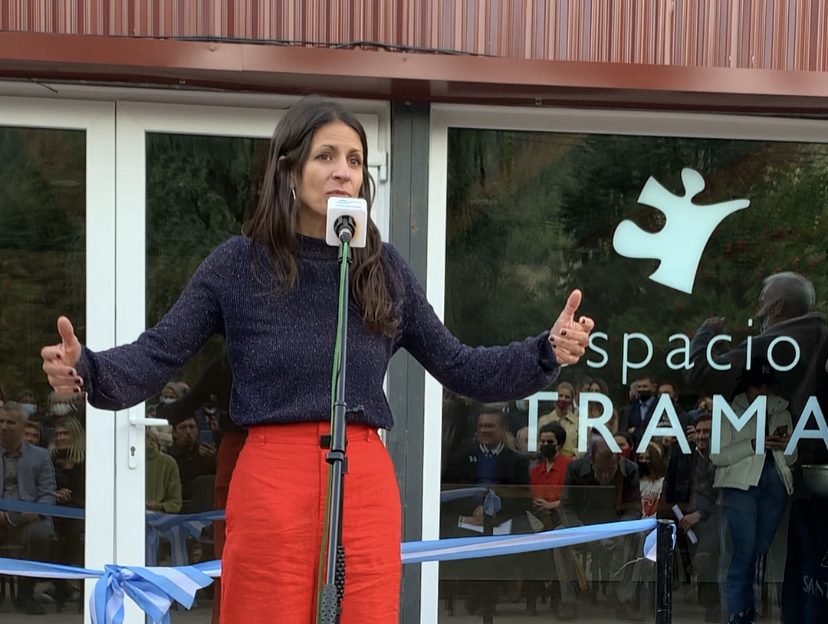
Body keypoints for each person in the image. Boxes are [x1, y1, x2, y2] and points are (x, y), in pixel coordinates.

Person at [40, 96, 595, 624]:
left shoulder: (381, 269)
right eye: (325, 156)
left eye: (354, 160)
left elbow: (461, 366)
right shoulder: (239, 264)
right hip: (270, 480)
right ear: (288, 169)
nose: (342, 171)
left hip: (364, 481)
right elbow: (157, 353)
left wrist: (544, 351)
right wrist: (86, 368)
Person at [712, 362, 795, 624]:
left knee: (758, 554)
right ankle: (738, 615)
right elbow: (717, 456)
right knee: (744, 555)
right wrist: (754, 444)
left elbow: (792, 459)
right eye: (759, 386)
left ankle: (749, 611)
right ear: (748, 387)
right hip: (740, 487)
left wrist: (782, 444)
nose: (764, 391)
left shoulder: (781, 409)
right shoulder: (728, 411)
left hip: (775, 485)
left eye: (768, 387)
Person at [0, 402, 57, 615]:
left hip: (28, 519)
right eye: (1, 422)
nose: (4, 427)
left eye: (10, 423)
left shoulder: (40, 456)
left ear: (23, 428)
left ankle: (25, 593)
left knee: (42, 533)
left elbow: (48, 492)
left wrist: (37, 512)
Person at [663, 412, 720, 623]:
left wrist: (700, 514)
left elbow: (719, 495)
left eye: (708, 432)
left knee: (708, 547)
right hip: (682, 517)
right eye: (699, 431)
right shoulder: (684, 455)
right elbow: (670, 488)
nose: (702, 436)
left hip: (710, 517)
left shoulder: (720, 458)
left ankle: (712, 606)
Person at [48, 415, 86, 610]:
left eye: (65, 433)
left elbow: (90, 496)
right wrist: (54, 495)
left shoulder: (87, 463)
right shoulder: (48, 460)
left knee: (73, 532)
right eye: (58, 434)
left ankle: (62, 584)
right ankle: (59, 584)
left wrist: (70, 498)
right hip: (54, 511)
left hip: (80, 513)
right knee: (49, 531)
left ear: (76, 436)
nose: (61, 438)